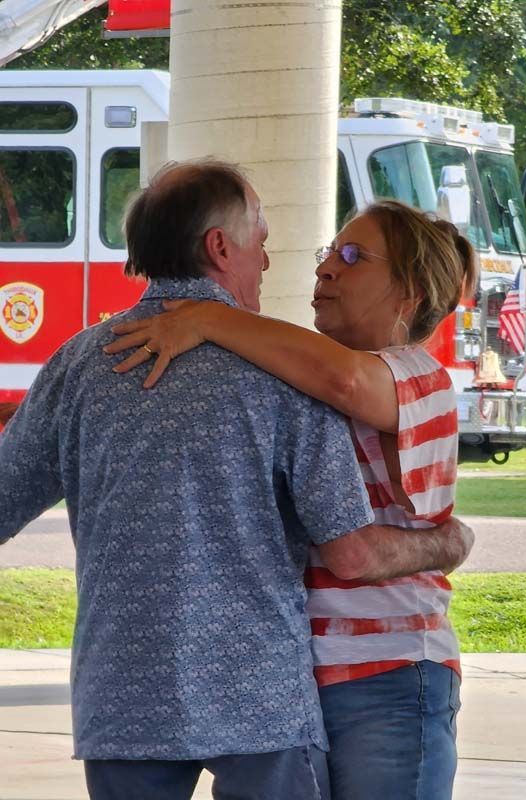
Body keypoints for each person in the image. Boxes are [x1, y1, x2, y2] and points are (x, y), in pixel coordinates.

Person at [0, 160, 472, 800]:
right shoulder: (286, 375)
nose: (279, 265)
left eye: (351, 255)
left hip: (121, 692)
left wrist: (206, 321)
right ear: (220, 247)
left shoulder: (79, 363)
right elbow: (352, 550)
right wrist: (452, 542)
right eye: (265, 243)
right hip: (262, 697)